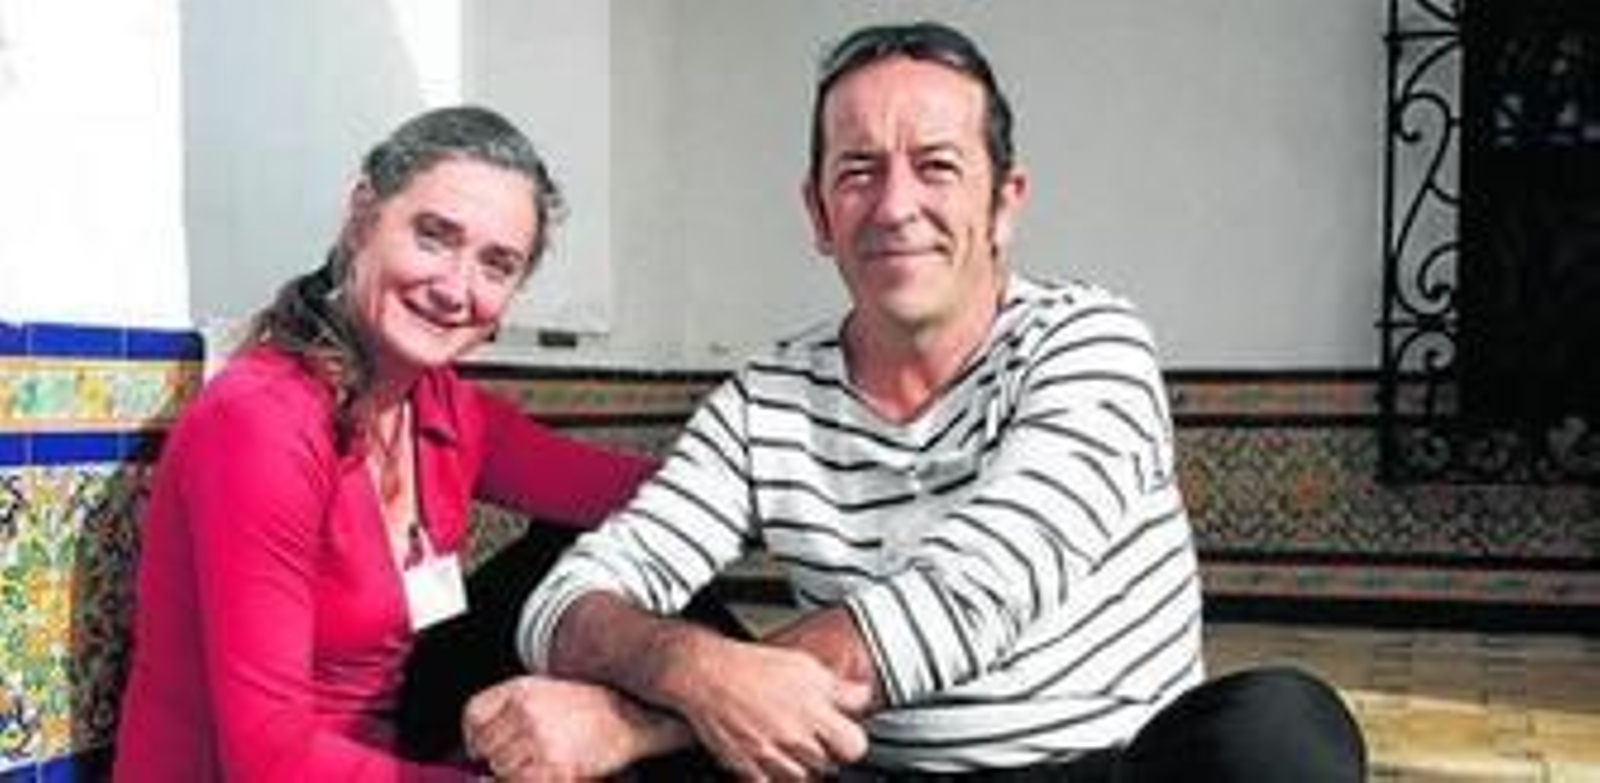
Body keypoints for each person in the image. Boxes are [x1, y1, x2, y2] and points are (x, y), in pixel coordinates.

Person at [472, 20, 1368, 781]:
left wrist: (646, 718)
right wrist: (685, 666)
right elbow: (570, 597)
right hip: (864, 766)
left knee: (1281, 730)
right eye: (859, 170)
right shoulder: (766, 400)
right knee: (539, 590)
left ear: (1005, 202)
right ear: (819, 213)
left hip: (1099, 766)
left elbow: (967, 600)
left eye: (936, 166)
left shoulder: (1089, 342)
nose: (896, 205)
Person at [112, 105, 702, 779]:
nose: (456, 289)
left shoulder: (442, 410)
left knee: (622, 559)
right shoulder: (261, 424)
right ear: (363, 212)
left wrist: (717, 683)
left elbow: (660, 494)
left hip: (389, 756)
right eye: (434, 236)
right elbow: (268, 759)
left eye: (496, 265)